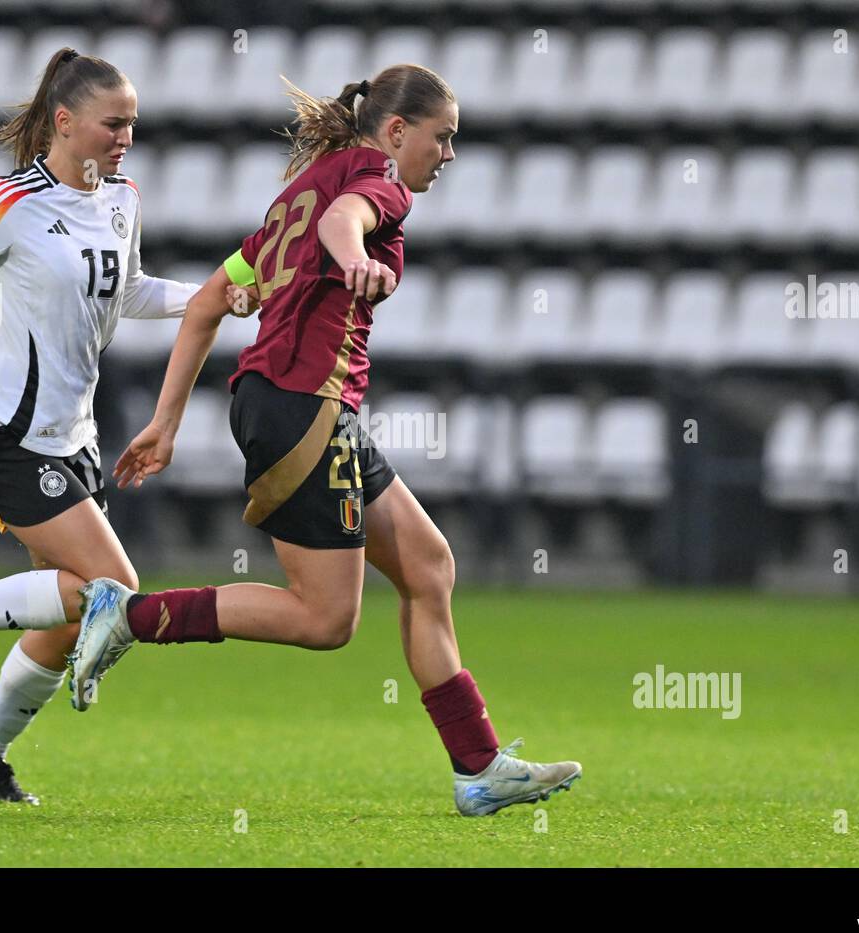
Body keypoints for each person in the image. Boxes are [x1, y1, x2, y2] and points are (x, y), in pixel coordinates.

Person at [69, 65, 582, 817]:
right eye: (442, 139)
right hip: (302, 406)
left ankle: (479, 766)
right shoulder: (377, 180)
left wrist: (167, 419)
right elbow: (346, 223)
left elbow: (213, 298)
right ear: (398, 131)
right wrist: (355, 259)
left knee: (430, 566)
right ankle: (130, 615)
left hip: (288, 403)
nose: (448, 156)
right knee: (325, 619)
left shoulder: (302, 189)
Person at [0, 48, 249, 804]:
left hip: (71, 438)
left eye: (132, 122)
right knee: (111, 588)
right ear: (65, 122)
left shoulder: (123, 198)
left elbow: (127, 290)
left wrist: (210, 297)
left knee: (68, 613)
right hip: (1, 433)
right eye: (114, 122)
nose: (126, 135)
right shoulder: (7, 199)